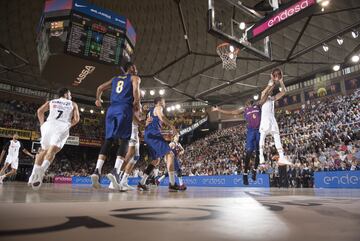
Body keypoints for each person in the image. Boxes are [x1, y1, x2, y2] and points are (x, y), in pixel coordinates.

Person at [91, 62, 141, 189]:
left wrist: (98, 99)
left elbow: (99, 88)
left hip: (111, 109)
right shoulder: (135, 78)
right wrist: (137, 103)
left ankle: (97, 170)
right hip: (124, 108)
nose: (136, 68)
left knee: (108, 140)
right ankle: (115, 171)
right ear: (130, 68)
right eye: (134, 67)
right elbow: (135, 90)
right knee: (124, 139)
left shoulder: (115, 79)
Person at [211, 87, 273, 185]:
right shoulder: (245, 110)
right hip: (251, 131)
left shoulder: (257, 105)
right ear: (246, 104)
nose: (250, 102)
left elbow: (264, 97)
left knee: (259, 152)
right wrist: (219, 109)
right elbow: (231, 112)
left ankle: (255, 171)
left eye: (251, 101)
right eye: (249, 102)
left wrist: (271, 86)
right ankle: (244, 174)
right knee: (248, 152)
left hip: (259, 131)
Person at [28, 88, 80, 190]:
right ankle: (41, 172)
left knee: (43, 151)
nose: (71, 96)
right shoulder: (73, 104)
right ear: (66, 94)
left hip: (48, 126)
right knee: (52, 151)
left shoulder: (51, 101)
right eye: (70, 94)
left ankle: (32, 176)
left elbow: (39, 111)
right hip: (61, 126)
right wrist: (69, 125)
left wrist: (42, 124)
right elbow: (77, 119)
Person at [137, 97, 179, 192]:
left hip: (148, 136)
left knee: (156, 160)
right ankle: (172, 184)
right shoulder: (158, 108)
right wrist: (172, 126)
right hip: (153, 135)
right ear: (159, 102)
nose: (165, 103)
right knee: (170, 154)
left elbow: (146, 121)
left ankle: (142, 183)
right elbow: (161, 117)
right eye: (164, 101)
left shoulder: (151, 111)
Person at [259, 68, 292, 166]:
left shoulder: (272, 99)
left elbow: (284, 92)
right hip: (264, 120)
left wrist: (281, 82)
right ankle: (261, 157)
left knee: (277, 137)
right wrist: (272, 81)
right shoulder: (262, 98)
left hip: (272, 120)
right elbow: (264, 92)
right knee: (262, 138)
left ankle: (282, 157)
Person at [109, 107, 143, 191]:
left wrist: (140, 130)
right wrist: (143, 123)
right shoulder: (132, 104)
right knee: (130, 153)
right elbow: (131, 115)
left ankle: (123, 181)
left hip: (135, 130)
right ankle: (115, 176)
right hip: (131, 129)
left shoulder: (138, 105)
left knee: (136, 157)